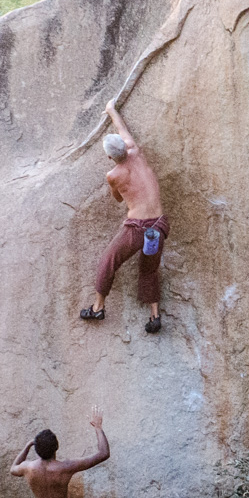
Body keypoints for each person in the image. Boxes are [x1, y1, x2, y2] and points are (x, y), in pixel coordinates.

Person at [81, 98, 168, 333]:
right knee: (149, 268)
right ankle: (154, 315)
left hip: (137, 229)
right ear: (125, 147)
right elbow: (123, 130)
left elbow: (119, 198)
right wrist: (111, 109)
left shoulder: (114, 174)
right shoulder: (136, 151)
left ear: (110, 157)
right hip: (159, 226)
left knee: (109, 260)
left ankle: (98, 307)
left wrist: (120, 189)